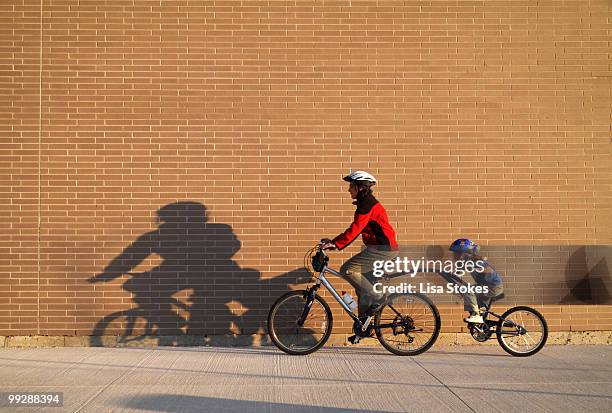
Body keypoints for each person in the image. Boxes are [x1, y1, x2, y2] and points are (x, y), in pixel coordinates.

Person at [320, 171, 399, 318]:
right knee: (362, 289)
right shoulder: (366, 203)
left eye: (351, 186)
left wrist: (335, 244)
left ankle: (379, 297)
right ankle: (363, 325)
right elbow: (355, 228)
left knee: (348, 270)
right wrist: (334, 241)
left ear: (361, 188)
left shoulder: (367, 205)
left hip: (383, 249)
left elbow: (355, 229)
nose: (348, 189)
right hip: (378, 248)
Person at [438, 238, 504, 323]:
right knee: (475, 301)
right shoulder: (466, 261)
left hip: (493, 287)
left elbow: (488, 270)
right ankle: (480, 322)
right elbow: (456, 273)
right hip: (487, 286)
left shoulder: (474, 261)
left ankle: (476, 316)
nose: (454, 255)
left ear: (464, 253)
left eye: (456, 253)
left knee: (467, 289)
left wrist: (477, 268)